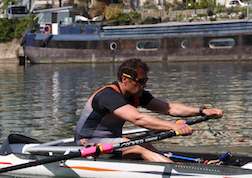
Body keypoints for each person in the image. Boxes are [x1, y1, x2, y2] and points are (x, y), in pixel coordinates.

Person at [75, 58, 223, 162]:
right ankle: (181, 175)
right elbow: (138, 119)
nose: (144, 85)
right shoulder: (108, 95)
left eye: (146, 81)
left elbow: (169, 108)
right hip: (88, 144)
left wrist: (202, 110)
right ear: (125, 79)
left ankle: (179, 166)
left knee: (146, 143)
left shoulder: (136, 94)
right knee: (138, 147)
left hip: (111, 142)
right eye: (141, 81)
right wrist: (173, 126)